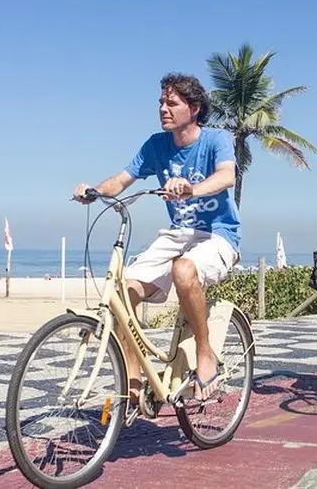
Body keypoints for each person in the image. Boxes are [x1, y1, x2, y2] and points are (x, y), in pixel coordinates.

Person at [73, 73, 240, 401]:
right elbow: (121, 180)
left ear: (193, 109)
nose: (163, 108)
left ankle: (205, 354)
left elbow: (226, 176)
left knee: (184, 269)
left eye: (171, 103)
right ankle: (134, 387)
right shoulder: (156, 145)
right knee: (125, 293)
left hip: (218, 235)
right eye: (161, 102)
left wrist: (192, 189)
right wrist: (93, 190)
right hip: (177, 235)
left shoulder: (216, 139)